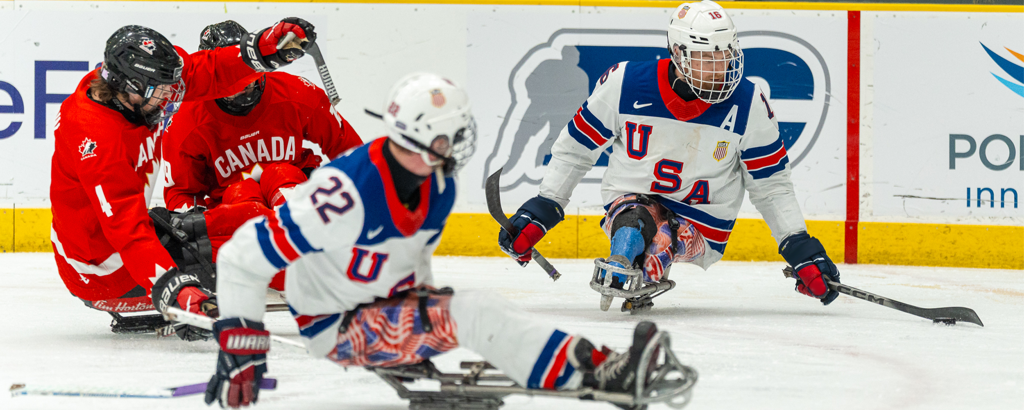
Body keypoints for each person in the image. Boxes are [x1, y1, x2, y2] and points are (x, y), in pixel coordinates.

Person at [203, 73, 667, 408]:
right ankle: (604, 373)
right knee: (477, 312)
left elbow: (408, 257)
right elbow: (243, 258)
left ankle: (593, 363)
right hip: (335, 325)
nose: (461, 142)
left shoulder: (437, 184)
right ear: (428, 138)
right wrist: (241, 350)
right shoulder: (343, 195)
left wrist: (418, 304)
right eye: (454, 135)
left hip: (374, 303)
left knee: (474, 310)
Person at [498, 0, 841, 311]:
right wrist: (545, 206)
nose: (720, 67)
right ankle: (627, 257)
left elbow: (771, 185)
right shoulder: (624, 84)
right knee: (634, 222)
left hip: (702, 223)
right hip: (630, 203)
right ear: (679, 53)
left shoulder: (750, 104)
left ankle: (642, 262)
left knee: (662, 237)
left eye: (725, 54)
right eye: (707, 57)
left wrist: (798, 246)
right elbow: (577, 148)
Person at [50, 19, 317, 339]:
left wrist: (261, 50)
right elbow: (127, 232)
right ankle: (331, 286)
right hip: (103, 271)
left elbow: (206, 72)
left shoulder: (135, 86)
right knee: (246, 249)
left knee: (251, 216)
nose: (168, 98)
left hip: (124, 240)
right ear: (130, 89)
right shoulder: (96, 140)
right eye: (159, 92)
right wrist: (174, 287)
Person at [160, 21, 363, 290]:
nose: (241, 87)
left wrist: (362, 201)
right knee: (242, 194)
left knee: (283, 173)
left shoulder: (297, 93)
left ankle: (304, 244)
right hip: (235, 207)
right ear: (212, 78)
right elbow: (182, 193)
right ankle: (277, 256)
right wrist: (199, 227)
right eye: (228, 80)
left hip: (296, 189)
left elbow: (350, 152)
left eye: (245, 76)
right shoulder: (186, 123)